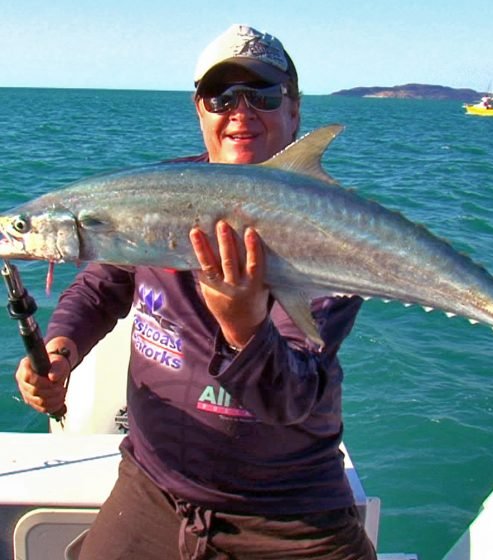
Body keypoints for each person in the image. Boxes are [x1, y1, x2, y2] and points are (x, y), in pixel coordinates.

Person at [14, 24, 376, 560]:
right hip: (153, 485)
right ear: (200, 110)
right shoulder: (151, 195)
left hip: (286, 510)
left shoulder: (332, 228)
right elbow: (101, 283)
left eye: (263, 94)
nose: (240, 110)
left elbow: (294, 397)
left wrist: (243, 326)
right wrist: (61, 348)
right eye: (220, 96)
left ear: (295, 112)